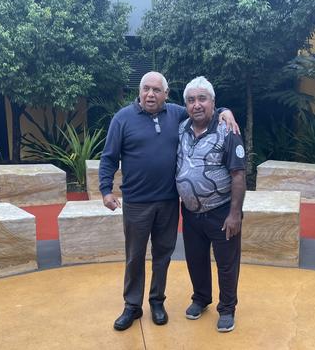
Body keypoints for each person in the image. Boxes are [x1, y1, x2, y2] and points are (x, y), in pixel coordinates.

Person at [99, 71, 239, 331]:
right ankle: (132, 306)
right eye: (146, 89)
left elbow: (203, 107)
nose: (150, 94)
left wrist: (225, 111)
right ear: (139, 92)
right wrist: (106, 190)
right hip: (136, 202)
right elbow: (108, 157)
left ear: (166, 94)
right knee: (135, 256)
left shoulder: (176, 113)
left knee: (163, 255)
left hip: (168, 202)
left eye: (156, 90)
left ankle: (156, 301)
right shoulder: (122, 119)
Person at [175, 76, 246, 333]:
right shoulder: (181, 127)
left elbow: (238, 174)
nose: (196, 105)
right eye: (191, 100)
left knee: (226, 264)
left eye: (202, 99)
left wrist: (235, 214)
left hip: (221, 212)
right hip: (191, 213)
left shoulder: (229, 131)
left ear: (213, 102)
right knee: (195, 259)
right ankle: (201, 298)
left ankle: (227, 309)